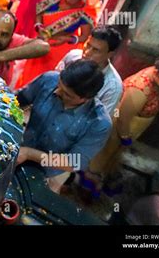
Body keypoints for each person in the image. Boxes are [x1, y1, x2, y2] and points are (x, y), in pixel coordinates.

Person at [86, 55, 159, 196]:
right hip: (119, 127)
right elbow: (122, 118)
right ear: (157, 73)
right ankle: (87, 185)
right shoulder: (140, 89)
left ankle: (103, 179)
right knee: (104, 154)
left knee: (114, 156)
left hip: (132, 127)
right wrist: (125, 137)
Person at [16, 59, 112, 194]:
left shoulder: (99, 123)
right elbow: (16, 101)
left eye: (67, 94)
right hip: (21, 148)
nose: (57, 91)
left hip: (51, 173)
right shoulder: (49, 80)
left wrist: (29, 154)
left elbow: (73, 162)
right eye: (59, 84)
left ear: (85, 98)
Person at [15, 0, 100, 89]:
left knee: (48, 81)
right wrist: (39, 26)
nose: (68, 0)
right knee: (29, 77)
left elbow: (84, 37)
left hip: (60, 51)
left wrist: (68, 39)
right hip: (42, 41)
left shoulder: (83, 13)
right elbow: (39, 13)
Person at [56, 26, 123, 116]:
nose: (87, 52)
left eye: (96, 50)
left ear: (110, 54)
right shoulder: (72, 57)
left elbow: (100, 119)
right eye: (88, 45)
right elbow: (53, 82)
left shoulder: (113, 87)